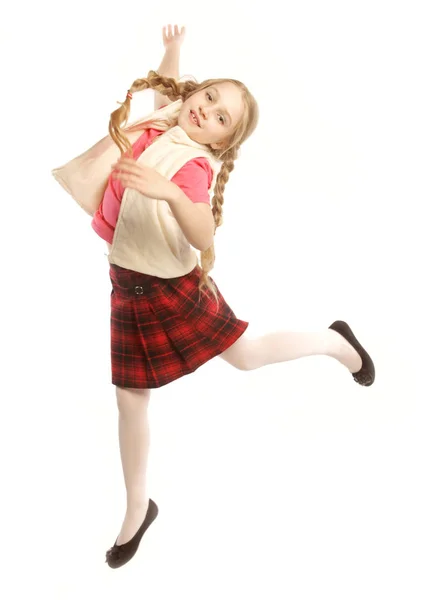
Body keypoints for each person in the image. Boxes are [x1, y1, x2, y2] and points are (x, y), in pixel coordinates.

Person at [52, 24, 375, 569]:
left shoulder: (195, 168)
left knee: (245, 356)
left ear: (221, 144)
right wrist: (174, 50)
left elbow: (203, 234)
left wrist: (169, 193)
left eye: (221, 117)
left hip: (170, 288)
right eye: (207, 97)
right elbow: (167, 92)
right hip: (127, 289)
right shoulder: (165, 121)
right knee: (130, 398)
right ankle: (138, 506)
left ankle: (336, 342)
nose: (205, 111)